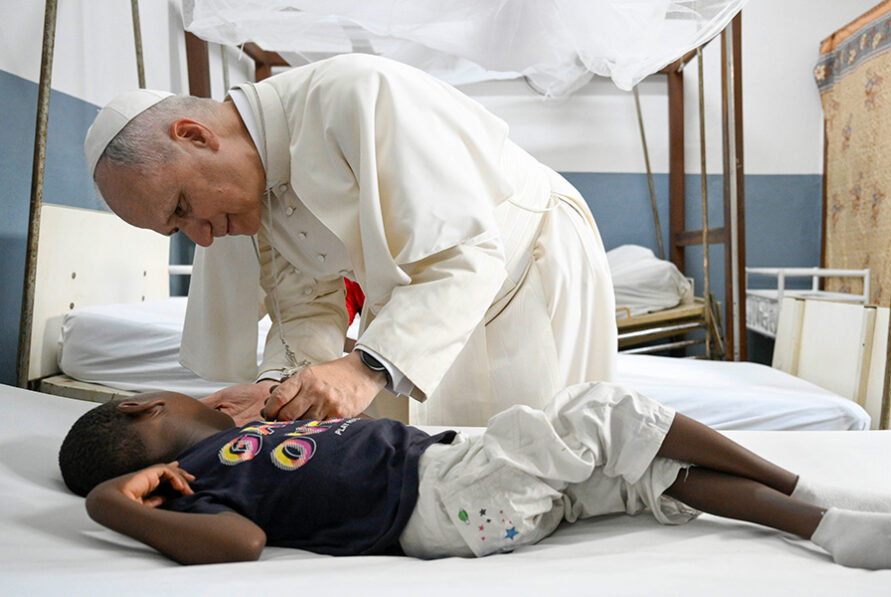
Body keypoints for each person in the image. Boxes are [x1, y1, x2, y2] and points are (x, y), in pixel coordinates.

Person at [84, 54, 617, 427]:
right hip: (429, 309)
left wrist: (364, 368)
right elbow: (305, 304)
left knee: (543, 456)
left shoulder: (359, 94)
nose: (200, 238)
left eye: (181, 208)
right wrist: (277, 393)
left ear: (196, 136)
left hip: (528, 265)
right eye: (176, 229)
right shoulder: (251, 194)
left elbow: (466, 255)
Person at [59, 385, 891, 569]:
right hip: (443, 499)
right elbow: (244, 544)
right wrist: (116, 507)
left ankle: (838, 534)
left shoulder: (226, 456)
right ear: (145, 410)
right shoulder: (201, 475)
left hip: (465, 494)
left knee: (647, 471)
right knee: (611, 413)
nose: (215, 405)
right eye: (177, 398)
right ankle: (815, 493)